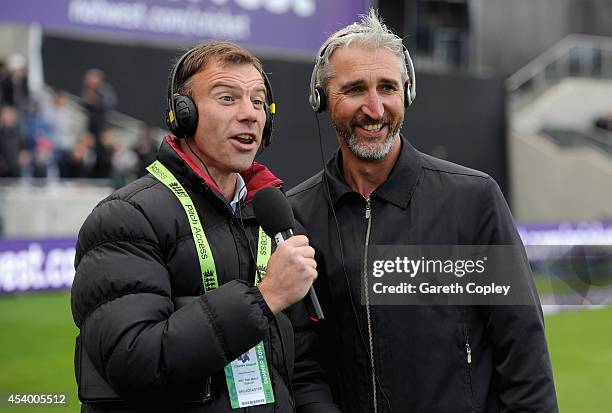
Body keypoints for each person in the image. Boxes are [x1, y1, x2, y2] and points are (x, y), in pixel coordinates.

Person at [287, 10, 558, 413]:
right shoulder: (297, 215)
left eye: (387, 88)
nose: (375, 109)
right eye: (355, 89)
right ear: (322, 99)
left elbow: (524, 352)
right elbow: (304, 365)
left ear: (407, 93)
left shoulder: (473, 198)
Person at [71, 41, 338, 412]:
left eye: (258, 101)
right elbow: (133, 361)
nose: (250, 114)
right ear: (183, 114)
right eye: (228, 98)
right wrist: (265, 298)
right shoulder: (125, 217)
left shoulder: (276, 220)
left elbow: (303, 370)